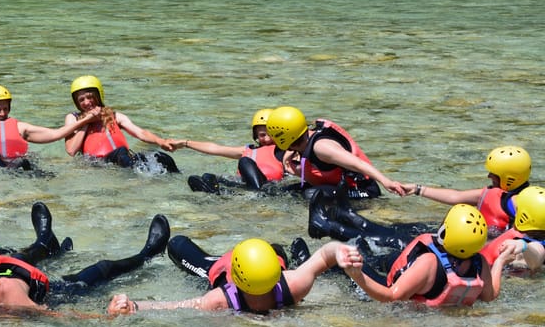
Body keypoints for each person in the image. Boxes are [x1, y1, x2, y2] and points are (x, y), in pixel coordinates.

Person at [0, 208, 171, 310]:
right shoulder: (6, 289)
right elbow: (52, 317)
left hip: (10, 289)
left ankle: (50, 245)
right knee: (102, 269)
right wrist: (107, 317)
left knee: (16, 259)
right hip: (61, 295)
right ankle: (148, 253)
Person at [108, 236, 357, 315]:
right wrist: (134, 306)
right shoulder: (219, 298)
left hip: (263, 255)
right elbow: (325, 255)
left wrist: (135, 306)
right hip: (219, 267)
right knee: (176, 244)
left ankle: (283, 250)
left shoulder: (294, 283)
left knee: (277, 247)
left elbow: (176, 306)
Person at [340, 204, 517, 307]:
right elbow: (489, 295)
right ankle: (365, 250)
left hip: (407, 283)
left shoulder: (429, 263)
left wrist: (357, 276)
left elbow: (390, 296)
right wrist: (500, 261)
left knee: (341, 261)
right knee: (392, 257)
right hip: (421, 279)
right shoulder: (479, 262)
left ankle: (357, 250)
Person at [266, 105, 407, 198]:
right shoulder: (306, 140)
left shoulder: (322, 148)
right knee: (279, 192)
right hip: (338, 186)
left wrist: (385, 181)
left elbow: (358, 164)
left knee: (311, 195)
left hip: (364, 190)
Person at [399, 146, 532, 233]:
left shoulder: (522, 203)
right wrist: (418, 189)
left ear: (509, 178)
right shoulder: (493, 193)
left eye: (494, 174)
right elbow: (456, 197)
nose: (489, 176)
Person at [63, 75, 179, 173]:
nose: (87, 102)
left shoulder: (115, 116)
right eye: (81, 100)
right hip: (99, 164)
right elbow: (71, 150)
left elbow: (140, 133)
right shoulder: (73, 118)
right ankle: (136, 176)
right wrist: (87, 121)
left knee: (160, 157)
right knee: (122, 152)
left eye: (90, 97)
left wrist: (160, 141)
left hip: (123, 160)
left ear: (98, 96)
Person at [170, 108, 289, 193]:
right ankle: (214, 193)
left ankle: (258, 193)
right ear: (256, 135)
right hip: (245, 186)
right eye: (262, 135)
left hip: (268, 188)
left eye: (271, 134)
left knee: (245, 162)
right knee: (208, 177)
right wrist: (185, 143)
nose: (267, 139)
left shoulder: (285, 151)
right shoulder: (248, 150)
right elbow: (216, 149)